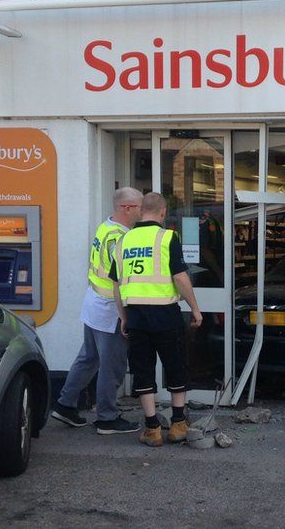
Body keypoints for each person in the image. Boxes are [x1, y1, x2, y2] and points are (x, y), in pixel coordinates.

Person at [110, 192, 203, 447]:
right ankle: (177, 425)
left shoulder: (123, 241)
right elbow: (180, 277)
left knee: (142, 370)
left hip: (137, 317)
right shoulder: (167, 237)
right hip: (165, 315)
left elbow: (117, 285)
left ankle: (151, 428)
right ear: (163, 212)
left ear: (141, 212)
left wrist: (123, 317)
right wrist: (195, 308)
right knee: (176, 365)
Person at [51, 187, 143, 434]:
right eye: (139, 207)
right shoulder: (120, 238)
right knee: (111, 365)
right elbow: (119, 279)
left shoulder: (106, 227)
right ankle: (106, 417)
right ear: (126, 208)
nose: (142, 211)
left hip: (94, 303)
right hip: (109, 308)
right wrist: (126, 314)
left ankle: (65, 404)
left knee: (88, 358)